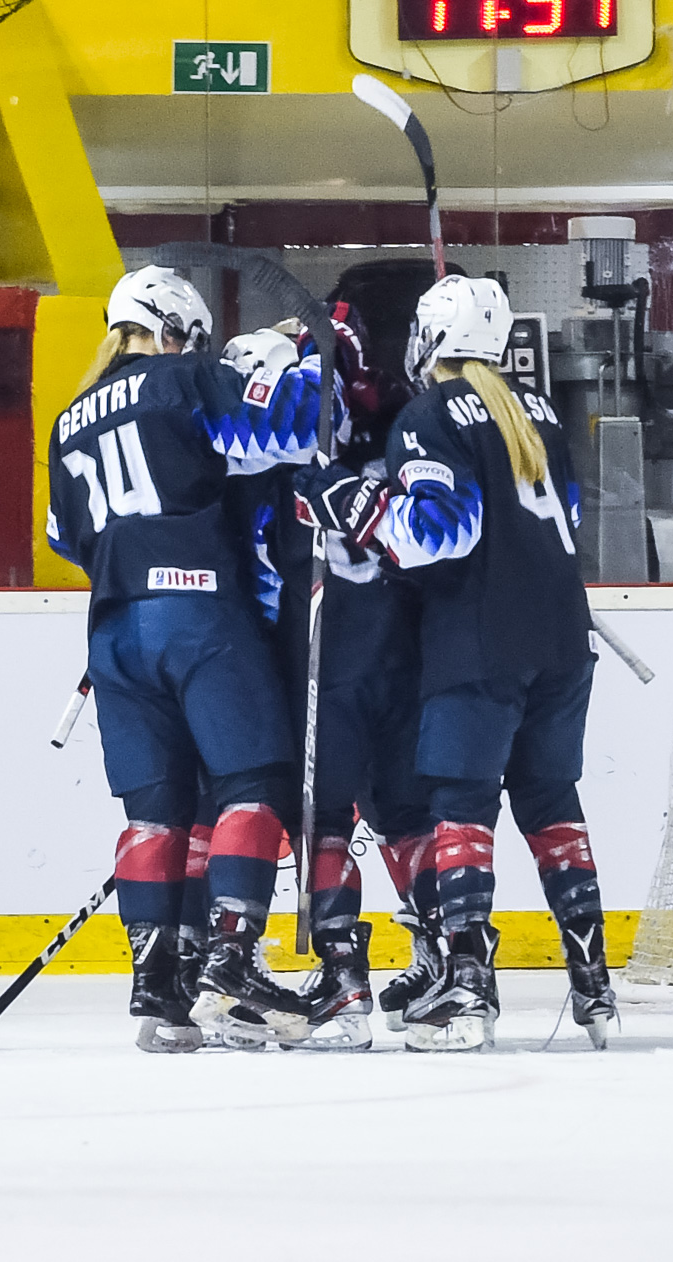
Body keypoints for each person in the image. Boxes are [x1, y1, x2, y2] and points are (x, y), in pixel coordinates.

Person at [295, 275, 617, 1051]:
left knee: (460, 804)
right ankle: (594, 984)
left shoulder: (428, 415)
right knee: (551, 803)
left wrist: (354, 503)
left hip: (480, 640)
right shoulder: (539, 410)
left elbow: (440, 535)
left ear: (429, 339)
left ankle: (467, 990)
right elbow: (568, 514)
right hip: (563, 636)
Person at [46, 265, 327, 1052]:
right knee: (252, 785)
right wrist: (292, 363)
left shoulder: (68, 420)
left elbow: (64, 537)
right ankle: (230, 963)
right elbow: (295, 430)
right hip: (198, 613)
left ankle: (156, 985)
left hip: (113, 633)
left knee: (155, 812)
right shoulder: (183, 380)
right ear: (175, 331)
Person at [221, 307, 430, 1052]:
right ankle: (448, 959)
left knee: (327, 817)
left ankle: (343, 981)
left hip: (327, 652)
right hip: (397, 646)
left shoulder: (281, 453)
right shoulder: (399, 426)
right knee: (403, 812)